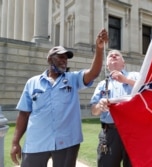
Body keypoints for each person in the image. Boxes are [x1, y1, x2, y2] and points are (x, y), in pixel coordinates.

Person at [10, 29, 108, 167]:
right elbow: (24, 114)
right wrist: (15, 142)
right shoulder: (33, 82)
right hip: (36, 142)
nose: (64, 61)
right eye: (60, 57)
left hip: (67, 142)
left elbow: (93, 73)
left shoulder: (73, 79)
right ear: (50, 59)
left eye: (66, 58)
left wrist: (99, 49)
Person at [90, 50, 139, 167]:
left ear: (124, 63)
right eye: (110, 56)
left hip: (133, 132)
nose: (113, 55)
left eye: (117, 55)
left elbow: (147, 89)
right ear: (107, 65)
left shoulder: (134, 76)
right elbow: (94, 111)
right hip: (110, 133)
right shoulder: (102, 84)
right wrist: (100, 106)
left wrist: (126, 80)